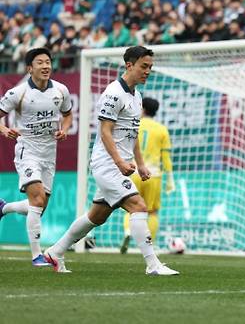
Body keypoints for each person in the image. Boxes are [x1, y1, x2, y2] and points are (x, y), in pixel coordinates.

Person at [44, 46, 179, 275]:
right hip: (107, 164)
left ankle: (55, 252)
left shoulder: (136, 96)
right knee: (138, 206)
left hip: (119, 165)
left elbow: (133, 134)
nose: (148, 71)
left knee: (96, 216)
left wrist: (141, 164)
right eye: (144, 66)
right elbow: (105, 131)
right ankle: (153, 265)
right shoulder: (113, 93)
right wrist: (119, 162)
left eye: (150, 67)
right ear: (129, 65)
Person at [0, 48, 73, 266]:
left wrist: (65, 130)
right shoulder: (18, 93)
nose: (45, 66)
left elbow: (68, 115)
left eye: (48, 62)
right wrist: (4, 130)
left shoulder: (61, 90)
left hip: (49, 154)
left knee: (39, 206)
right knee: (38, 200)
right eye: (40, 62)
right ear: (29, 68)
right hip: (27, 151)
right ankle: (36, 255)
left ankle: (4, 208)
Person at [120, 97, 175, 254]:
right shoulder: (162, 130)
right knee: (152, 212)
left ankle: (128, 232)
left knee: (131, 208)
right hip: (153, 175)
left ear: (142, 108)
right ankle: (150, 243)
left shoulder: (134, 125)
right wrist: (170, 179)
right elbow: (166, 158)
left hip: (133, 171)